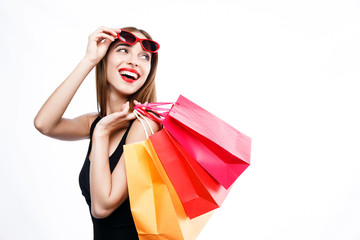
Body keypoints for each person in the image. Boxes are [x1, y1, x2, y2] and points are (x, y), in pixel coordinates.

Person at [34, 26, 161, 239]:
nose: (134, 61)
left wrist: (101, 133)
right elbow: (44, 124)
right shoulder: (95, 122)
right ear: (105, 58)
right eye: (123, 50)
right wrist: (89, 60)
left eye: (144, 57)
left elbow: (102, 207)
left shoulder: (145, 125)